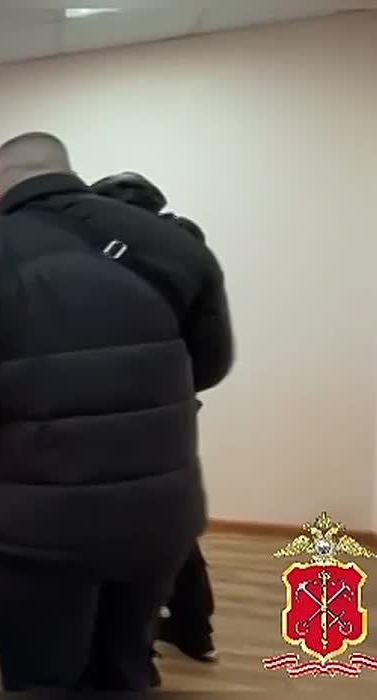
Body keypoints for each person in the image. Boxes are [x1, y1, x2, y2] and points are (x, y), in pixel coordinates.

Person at [0, 132, 233, 691]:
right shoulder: (175, 247)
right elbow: (211, 366)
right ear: (68, 172)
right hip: (153, 514)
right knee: (125, 669)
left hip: (31, 526)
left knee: (43, 678)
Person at [92, 171, 218, 666]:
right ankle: (192, 629)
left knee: (128, 538)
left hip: (130, 416)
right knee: (167, 528)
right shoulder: (183, 251)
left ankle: (140, 650)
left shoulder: (125, 263)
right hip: (170, 411)